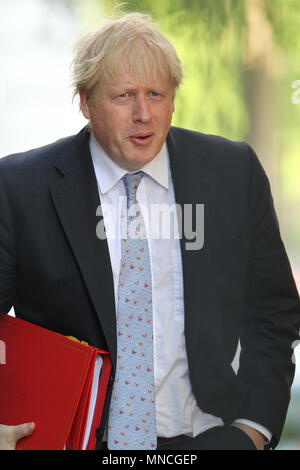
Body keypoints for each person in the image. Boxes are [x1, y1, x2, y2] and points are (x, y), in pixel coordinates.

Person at [0, 12, 299, 451]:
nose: (144, 114)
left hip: (208, 441)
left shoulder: (233, 173)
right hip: (71, 443)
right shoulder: (20, 188)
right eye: (124, 96)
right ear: (85, 103)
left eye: (156, 94)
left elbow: (274, 314)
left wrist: (251, 431)